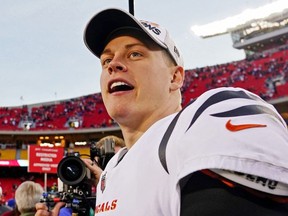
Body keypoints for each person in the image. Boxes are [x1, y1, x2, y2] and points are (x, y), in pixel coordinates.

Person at [35, 7, 288, 216]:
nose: (114, 65)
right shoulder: (111, 171)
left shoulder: (209, 117)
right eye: (106, 60)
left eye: (135, 53)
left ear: (175, 77)